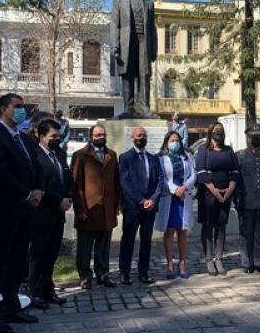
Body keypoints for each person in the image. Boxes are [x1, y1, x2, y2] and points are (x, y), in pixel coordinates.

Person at [0, 93, 44, 332]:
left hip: (27, 210)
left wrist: (38, 190)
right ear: (3, 109)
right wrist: (26, 194)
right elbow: (1, 174)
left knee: (18, 260)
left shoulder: (25, 140)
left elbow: (37, 167)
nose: (22, 110)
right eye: (17, 106)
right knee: (1, 260)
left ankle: (11, 307)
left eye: (23, 106)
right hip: (6, 209)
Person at [28, 119, 73, 309]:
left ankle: (48, 290)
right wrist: (58, 200)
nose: (57, 139)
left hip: (58, 214)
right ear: (42, 136)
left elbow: (68, 178)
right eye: (53, 136)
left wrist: (68, 197)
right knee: (38, 255)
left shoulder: (59, 153)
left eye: (59, 136)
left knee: (52, 254)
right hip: (42, 213)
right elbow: (40, 184)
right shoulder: (35, 155)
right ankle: (36, 292)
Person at [71, 124, 122, 289]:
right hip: (88, 209)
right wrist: (80, 209)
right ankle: (85, 276)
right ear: (91, 136)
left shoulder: (111, 155)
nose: (101, 137)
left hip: (106, 210)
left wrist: (117, 204)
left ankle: (103, 274)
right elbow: (76, 184)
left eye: (103, 134)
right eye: (98, 134)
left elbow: (116, 181)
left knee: (104, 245)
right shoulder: (81, 155)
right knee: (85, 247)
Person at [118, 126, 164, 285]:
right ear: (132, 138)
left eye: (143, 135)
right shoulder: (125, 158)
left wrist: (153, 200)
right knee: (128, 240)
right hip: (133, 207)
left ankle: (143, 272)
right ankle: (124, 273)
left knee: (146, 240)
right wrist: (141, 200)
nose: (141, 138)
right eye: (138, 135)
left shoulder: (153, 158)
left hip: (150, 207)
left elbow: (160, 181)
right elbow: (125, 182)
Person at [111, 0, 158, 117]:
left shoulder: (149, 3)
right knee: (128, 75)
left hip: (144, 41)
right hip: (127, 43)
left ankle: (144, 106)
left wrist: (154, 49)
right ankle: (128, 107)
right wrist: (115, 46)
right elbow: (115, 25)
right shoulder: (119, 1)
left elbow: (152, 28)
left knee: (144, 74)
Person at [195, 122, 240, 276]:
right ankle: (209, 259)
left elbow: (235, 171)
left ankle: (219, 258)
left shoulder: (228, 150)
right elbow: (201, 171)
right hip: (208, 194)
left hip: (226, 194)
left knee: (221, 226)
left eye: (220, 130)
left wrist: (229, 190)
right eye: (215, 130)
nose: (218, 132)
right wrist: (215, 191)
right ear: (210, 132)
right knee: (208, 226)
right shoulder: (203, 150)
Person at [155, 131, 196, 280]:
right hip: (169, 197)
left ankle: (183, 263)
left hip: (184, 196)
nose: (175, 143)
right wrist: (175, 190)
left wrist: (184, 187)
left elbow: (193, 175)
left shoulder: (188, 156)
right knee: (169, 230)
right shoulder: (161, 159)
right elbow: (162, 178)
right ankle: (170, 264)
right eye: (172, 140)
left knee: (182, 231)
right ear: (166, 142)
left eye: (177, 140)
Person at [235, 124, 260, 274]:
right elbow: (236, 180)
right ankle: (247, 263)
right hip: (246, 199)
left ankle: (258, 262)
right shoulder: (240, 155)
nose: (255, 138)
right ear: (247, 138)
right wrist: (236, 199)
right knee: (246, 233)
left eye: (258, 136)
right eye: (253, 136)